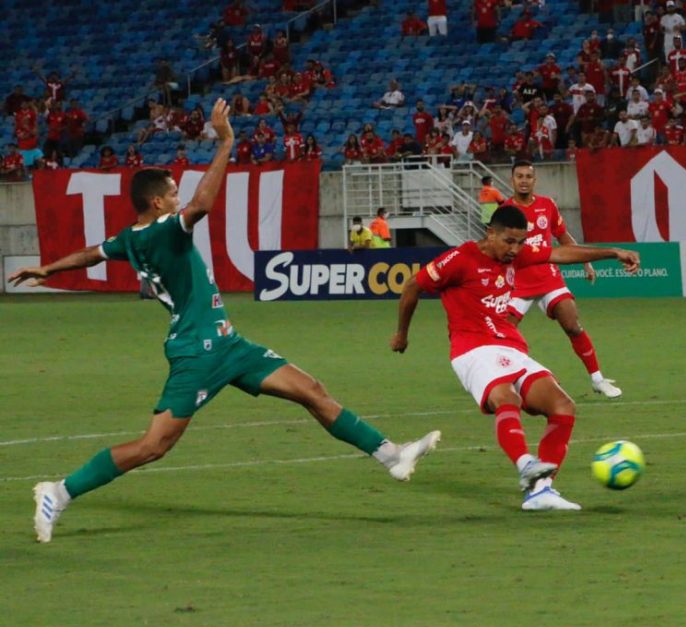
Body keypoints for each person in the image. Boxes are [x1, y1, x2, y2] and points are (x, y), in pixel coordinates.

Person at [9, 99, 441, 544]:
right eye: (172, 193)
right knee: (153, 446)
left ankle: (391, 455)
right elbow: (202, 203)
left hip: (227, 344)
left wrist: (48, 268)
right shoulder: (162, 230)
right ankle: (58, 491)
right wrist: (226, 143)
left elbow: (91, 253)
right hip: (197, 350)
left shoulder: (129, 238)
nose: (178, 198)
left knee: (311, 390)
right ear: (157, 202)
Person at [391, 205, 639, 510]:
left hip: (509, 345)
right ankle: (525, 464)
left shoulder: (517, 254)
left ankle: (541, 492)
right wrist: (402, 333)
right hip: (472, 349)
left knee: (563, 406)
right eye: (509, 241)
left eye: (521, 242)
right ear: (490, 233)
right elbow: (413, 285)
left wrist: (613, 252)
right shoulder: (461, 259)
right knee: (506, 398)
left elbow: (561, 254)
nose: (516, 250)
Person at [501, 160, 623, 398]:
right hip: (518, 282)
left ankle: (597, 379)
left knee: (573, 326)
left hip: (549, 278)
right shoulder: (505, 211)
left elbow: (563, 236)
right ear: (512, 180)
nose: (524, 180)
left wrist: (585, 262)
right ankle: (502, 378)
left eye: (528, 176)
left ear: (535, 180)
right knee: (503, 333)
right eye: (519, 176)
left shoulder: (547, 205)